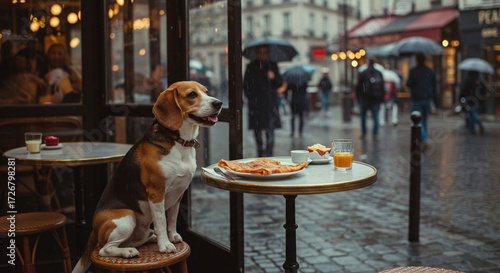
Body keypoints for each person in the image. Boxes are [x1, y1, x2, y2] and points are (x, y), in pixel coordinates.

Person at [243, 45, 283, 157]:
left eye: (265, 52)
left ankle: (269, 154)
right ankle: (260, 153)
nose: (263, 54)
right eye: (260, 52)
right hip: (256, 104)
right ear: (256, 53)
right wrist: (251, 98)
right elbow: (246, 84)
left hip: (270, 103)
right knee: (257, 130)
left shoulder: (272, 66)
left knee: (270, 129)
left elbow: (279, 83)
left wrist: (273, 77)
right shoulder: (251, 66)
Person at [406, 53, 437, 149]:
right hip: (427, 98)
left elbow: (409, 84)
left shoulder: (414, 71)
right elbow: (434, 85)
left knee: (417, 120)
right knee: (425, 120)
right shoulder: (430, 71)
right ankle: (423, 138)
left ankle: (424, 140)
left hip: (417, 99)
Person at [356, 59, 385, 140]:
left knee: (363, 116)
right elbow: (382, 87)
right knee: (376, 116)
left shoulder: (363, 73)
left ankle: (364, 133)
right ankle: (375, 134)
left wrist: (358, 98)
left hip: (365, 98)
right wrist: (381, 99)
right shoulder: (378, 73)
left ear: (367, 63)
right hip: (376, 99)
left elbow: (358, 87)